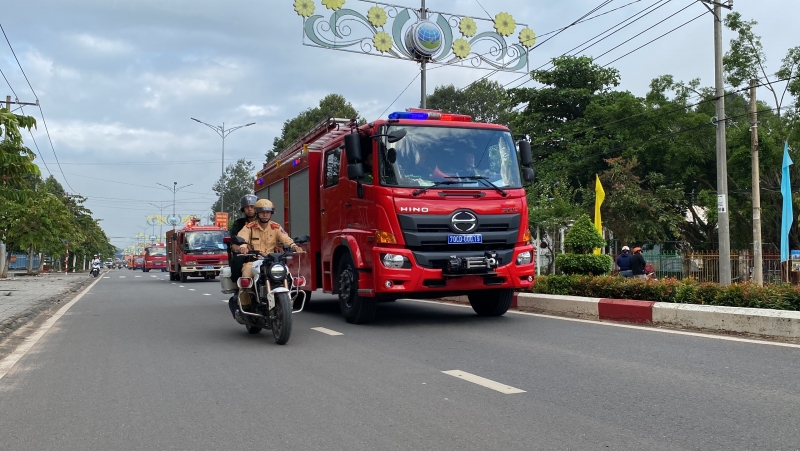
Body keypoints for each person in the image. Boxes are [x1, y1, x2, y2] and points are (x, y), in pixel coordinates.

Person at [233, 198, 304, 314]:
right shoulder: (249, 227)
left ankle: (287, 301)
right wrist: (243, 246)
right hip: (254, 262)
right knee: (246, 276)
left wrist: (294, 246)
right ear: (258, 213)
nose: (265, 215)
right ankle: (245, 306)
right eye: (262, 212)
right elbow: (242, 238)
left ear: (271, 213)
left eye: (268, 212)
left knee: (288, 275)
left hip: (272, 262)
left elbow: (286, 238)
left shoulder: (276, 227)